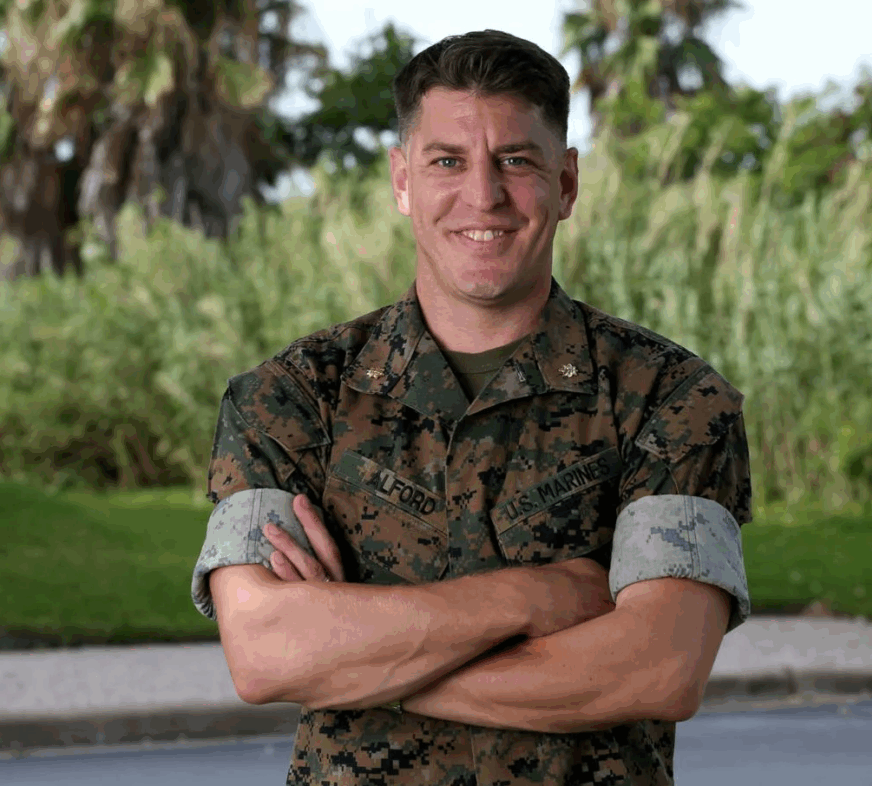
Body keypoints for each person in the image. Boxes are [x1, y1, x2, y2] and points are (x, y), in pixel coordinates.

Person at [190, 28, 752, 786]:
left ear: (568, 183)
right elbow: (263, 657)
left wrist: (355, 660)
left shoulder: (672, 398)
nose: (481, 195)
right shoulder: (290, 397)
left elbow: (656, 672)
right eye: (446, 161)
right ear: (402, 182)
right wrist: (534, 595)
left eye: (515, 161)